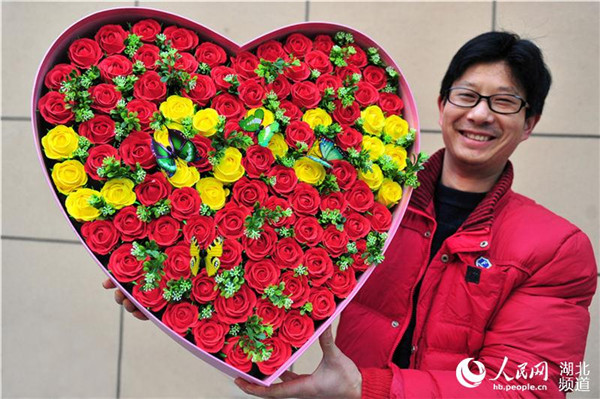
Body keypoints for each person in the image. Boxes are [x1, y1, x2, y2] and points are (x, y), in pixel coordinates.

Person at [105, 31, 598, 398]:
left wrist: (366, 389)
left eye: (505, 102)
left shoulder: (556, 247)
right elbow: (254, 263)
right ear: (443, 103)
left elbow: (532, 385)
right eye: (467, 95)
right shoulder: (355, 192)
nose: (481, 114)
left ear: (529, 123)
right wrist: (166, 282)